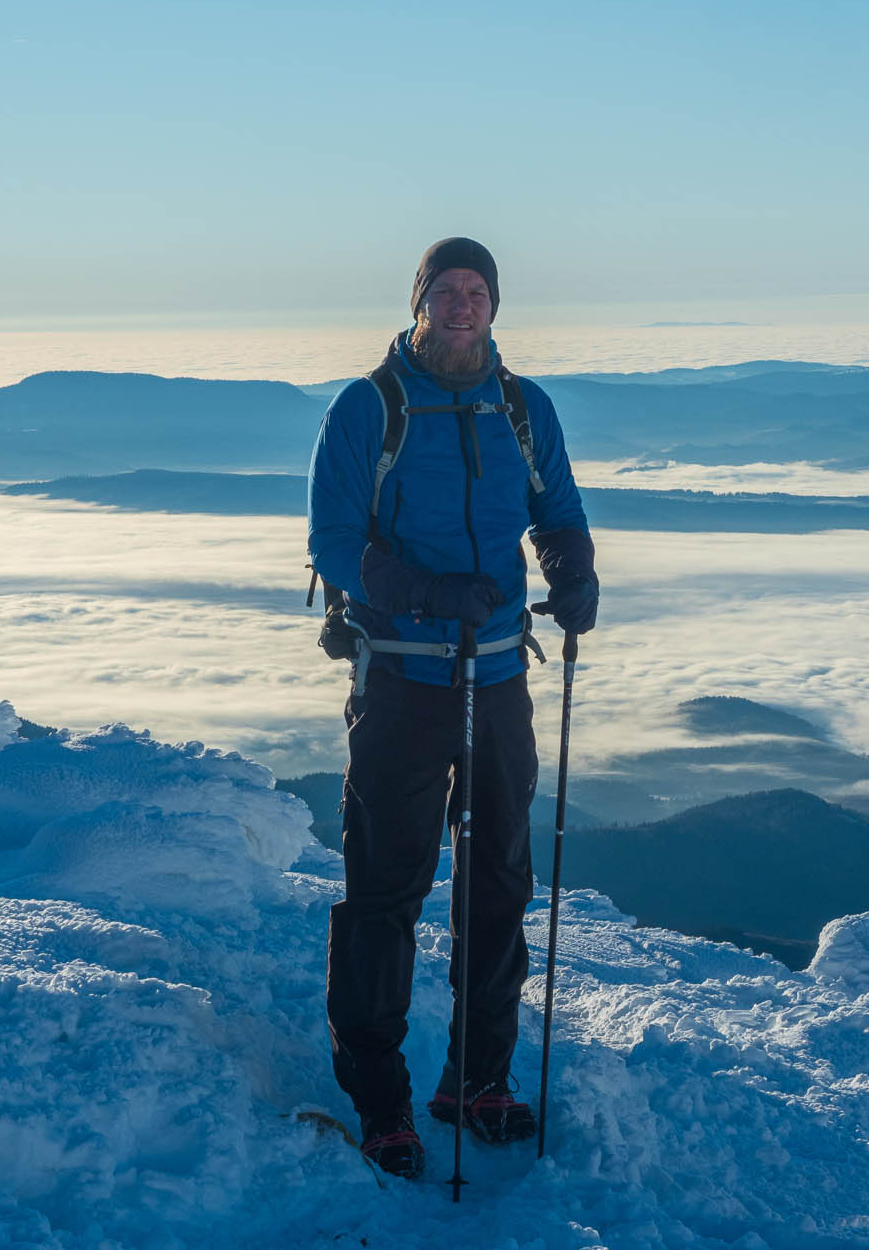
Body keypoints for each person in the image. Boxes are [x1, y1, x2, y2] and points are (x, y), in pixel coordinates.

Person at [306, 237, 598, 1179]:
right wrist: (429, 592)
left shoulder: (521, 406)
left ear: (494, 304)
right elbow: (335, 543)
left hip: (502, 676)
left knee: (499, 885)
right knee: (387, 891)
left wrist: (575, 573)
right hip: (402, 682)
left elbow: (556, 509)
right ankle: (381, 1097)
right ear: (420, 300)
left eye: (478, 290)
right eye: (447, 289)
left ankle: (476, 1081)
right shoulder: (370, 407)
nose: (463, 303)